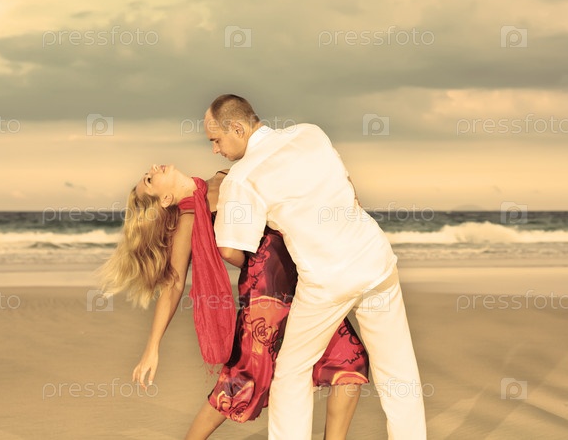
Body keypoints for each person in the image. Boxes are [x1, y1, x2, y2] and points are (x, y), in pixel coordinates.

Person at [206, 95, 427, 439]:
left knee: (291, 373)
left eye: (216, 140)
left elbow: (232, 250)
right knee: (398, 372)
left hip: (328, 279)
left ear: (237, 127)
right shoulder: (310, 133)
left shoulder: (242, 177)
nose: (215, 150)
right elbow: (350, 190)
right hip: (375, 258)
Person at [98, 164, 369, 440]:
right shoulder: (190, 218)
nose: (153, 169)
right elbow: (174, 283)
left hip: (302, 279)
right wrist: (152, 347)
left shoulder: (225, 175)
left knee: (349, 361)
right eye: (149, 179)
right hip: (264, 299)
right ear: (166, 199)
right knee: (239, 384)